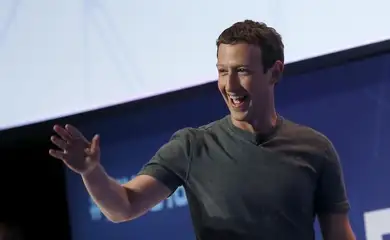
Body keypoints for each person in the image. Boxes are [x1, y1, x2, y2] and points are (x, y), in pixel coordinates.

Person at [49, 20, 355, 239]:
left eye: (243, 71)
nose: (230, 85)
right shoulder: (192, 146)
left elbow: (338, 234)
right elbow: (124, 207)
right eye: (223, 71)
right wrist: (91, 172)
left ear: (274, 72)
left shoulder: (315, 148)